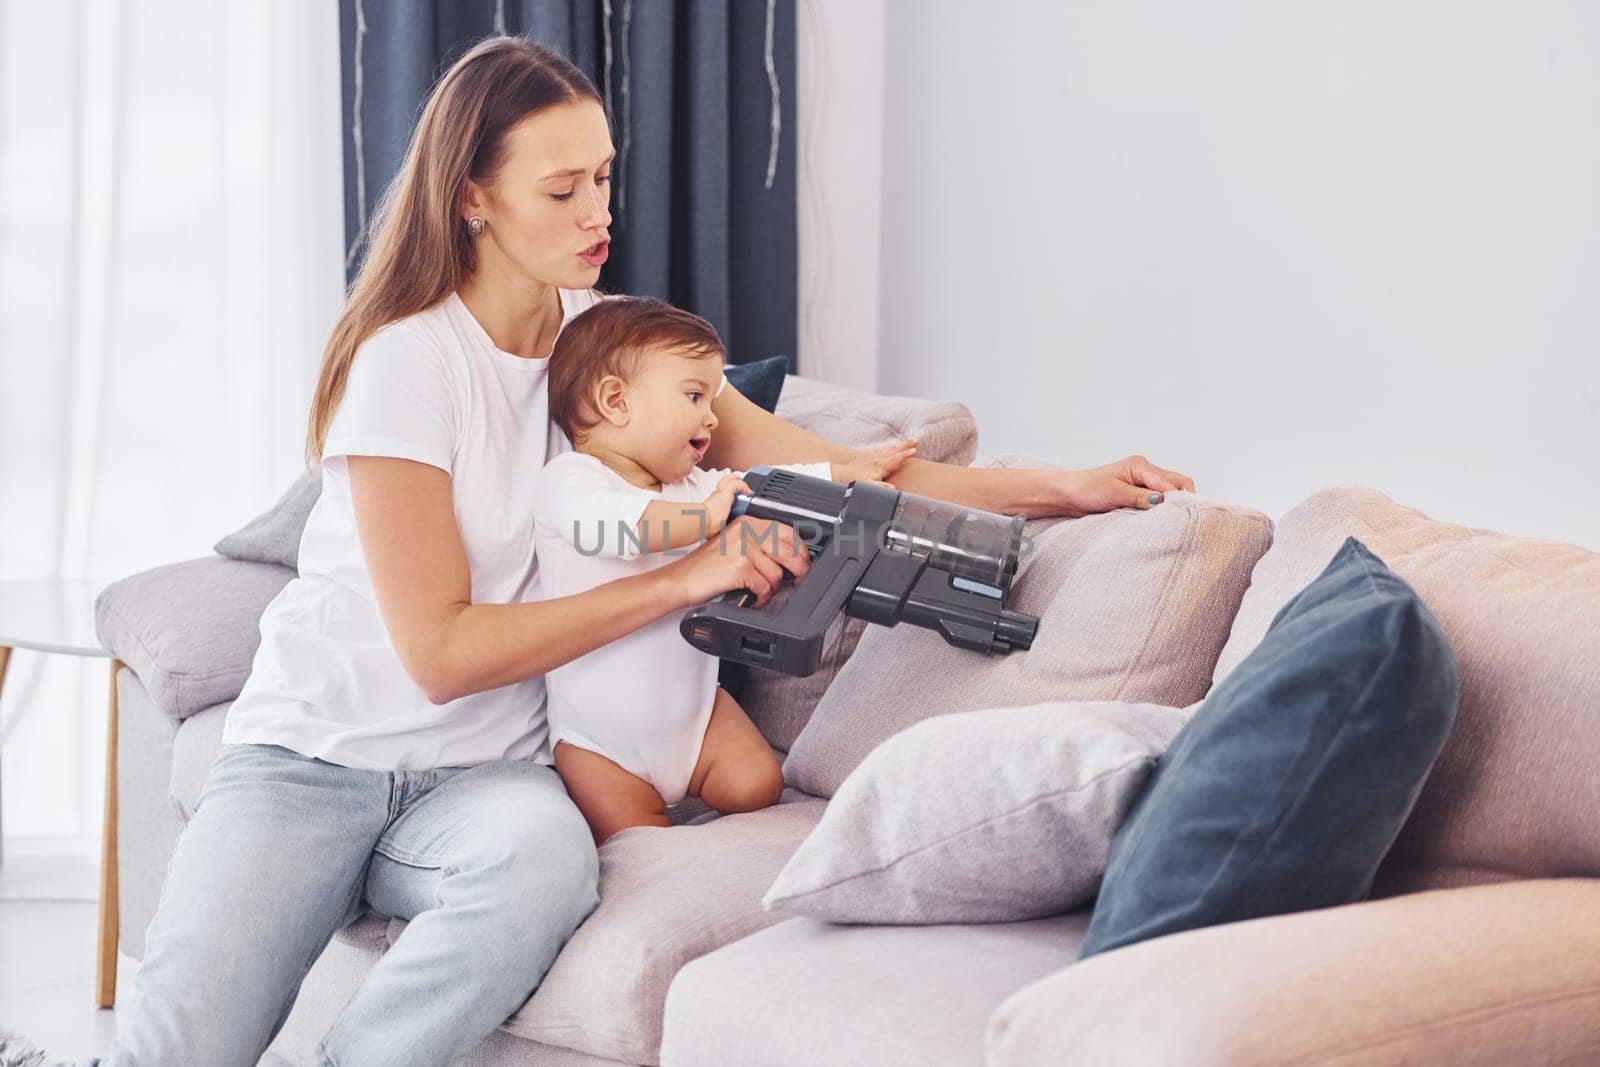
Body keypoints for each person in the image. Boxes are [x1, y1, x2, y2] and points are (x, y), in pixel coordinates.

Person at [44, 35, 1191, 1067]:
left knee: (542, 867)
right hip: (312, 758)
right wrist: (685, 573)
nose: (600, 209)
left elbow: (834, 470)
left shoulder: (609, 350)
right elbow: (440, 650)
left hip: (485, 778)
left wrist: (1064, 486)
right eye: (563, 186)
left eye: (604, 175)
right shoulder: (409, 361)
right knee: (180, 1045)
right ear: (473, 200)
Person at [534, 295, 915, 844]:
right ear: (616, 401)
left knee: (757, 784)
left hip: (697, 717)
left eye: (711, 399)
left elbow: (770, 483)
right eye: (694, 396)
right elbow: (619, 527)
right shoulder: (571, 481)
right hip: (600, 746)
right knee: (636, 843)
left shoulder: (693, 488)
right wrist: (706, 517)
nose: (711, 416)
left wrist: (848, 472)